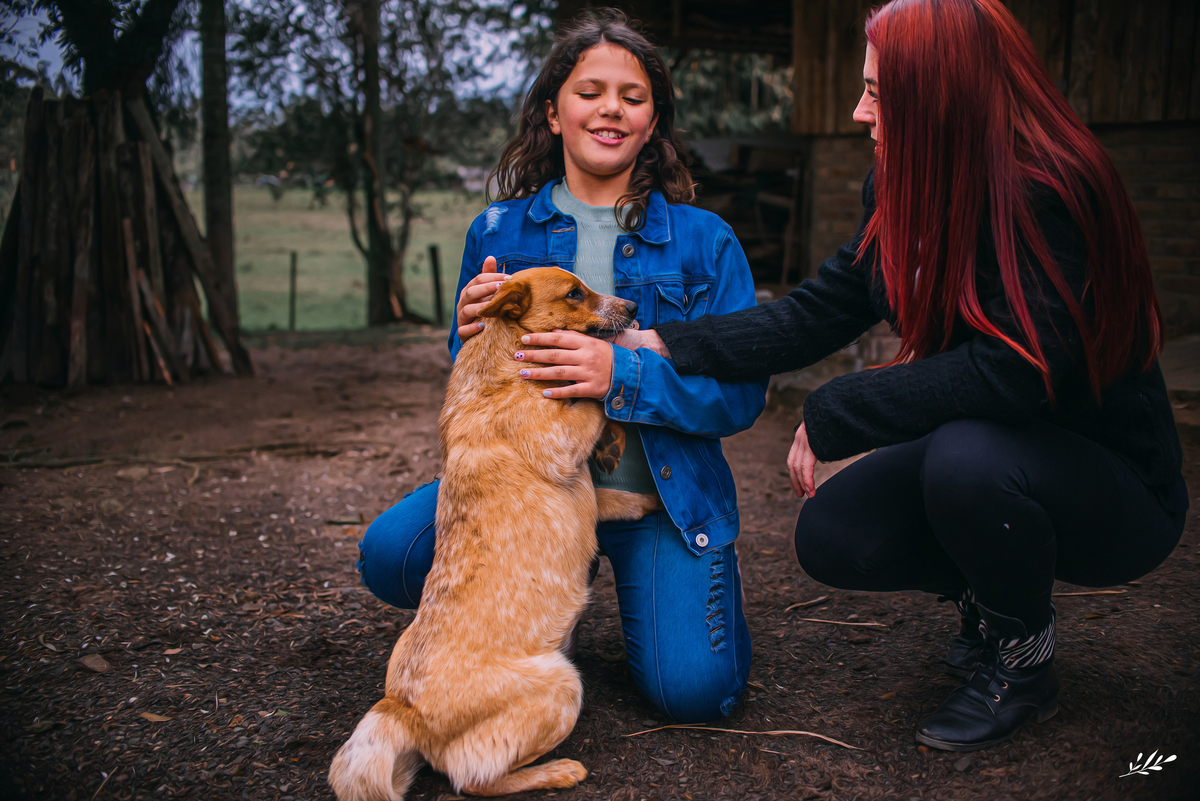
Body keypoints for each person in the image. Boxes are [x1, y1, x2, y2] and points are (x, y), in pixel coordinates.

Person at [620, 0, 1187, 752]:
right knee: (834, 535)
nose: (859, 111)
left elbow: (1018, 372)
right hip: (991, 451)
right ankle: (991, 596)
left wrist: (837, 409)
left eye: (879, 92)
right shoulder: (899, 185)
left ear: (942, 94)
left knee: (967, 458)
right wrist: (660, 340)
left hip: (1112, 489)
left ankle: (1023, 661)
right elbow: (819, 311)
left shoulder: (1054, 187)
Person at [356, 11, 768, 724]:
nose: (611, 108)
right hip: (529, 496)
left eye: (633, 98)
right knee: (391, 553)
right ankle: (534, 601)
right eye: (590, 91)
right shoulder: (498, 229)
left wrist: (622, 375)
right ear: (554, 112)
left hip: (652, 500)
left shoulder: (707, 242)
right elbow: (474, 377)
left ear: (653, 123)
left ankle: (675, 591)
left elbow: (738, 398)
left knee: (696, 692)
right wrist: (470, 338)